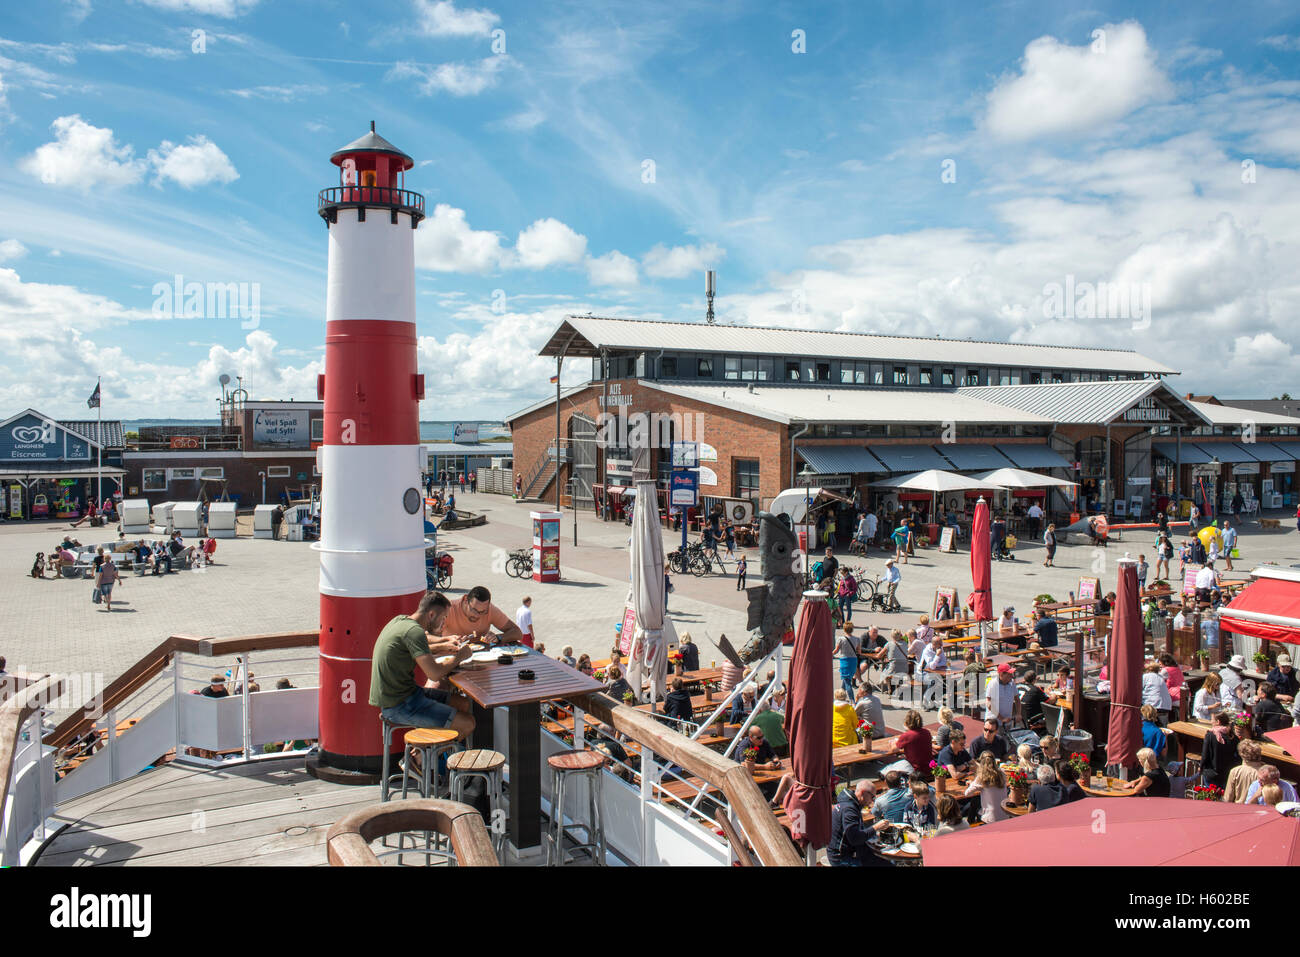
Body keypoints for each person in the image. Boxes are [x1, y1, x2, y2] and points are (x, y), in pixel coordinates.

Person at [369, 591, 476, 741]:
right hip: (399, 705)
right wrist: (460, 656)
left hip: (404, 695)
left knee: (462, 703)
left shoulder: (401, 621)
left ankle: (433, 752)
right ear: (431, 615)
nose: (444, 623)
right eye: (443, 618)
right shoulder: (414, 632)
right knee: (467, 724)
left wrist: (444, 643)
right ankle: (419, 758)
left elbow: (419, 644)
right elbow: (434, 674)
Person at [437, 585, 525, 644]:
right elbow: (427, 637)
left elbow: (517, 633)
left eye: (483, 612)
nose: (477, 616)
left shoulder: (491, 610)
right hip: (453, 656)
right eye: (474, 610)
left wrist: (498, 638)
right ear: (465, 600)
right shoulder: (449, 609)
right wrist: (447, 640)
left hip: (482, 658)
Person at [828, 780, 879, 866]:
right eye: (872, 797)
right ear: (863, 793)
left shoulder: (850, 803)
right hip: (841, 858)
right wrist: (876, 828)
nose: (872, 801)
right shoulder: (849, 809)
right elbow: (855, 838)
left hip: (843, 852)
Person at [963, 753, 1009, 823]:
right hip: (1005, 814)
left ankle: (971, 823)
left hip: (990, 818)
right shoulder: (1002, 773)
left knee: (974, 801)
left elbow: (967, 793)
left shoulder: (981, 778)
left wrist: (972, 784)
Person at [1200, 711, 1239, 789]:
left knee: (1210, 797)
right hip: (1226, 774)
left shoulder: (1210, 736)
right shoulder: (1234, 737)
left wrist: (1201, 767)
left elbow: (1205, 755)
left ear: (1218, 722)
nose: (1211, 722)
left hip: (1211, 773)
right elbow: (1237, 757)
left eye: (1212, 720)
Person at [896, 709, 933, 775]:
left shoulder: (906, 735)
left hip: (915, 769)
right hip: (929, 767)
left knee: (891, 767)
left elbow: (895, 749)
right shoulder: (926, 732)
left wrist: (892, 742)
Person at [834, 622, 861, 698]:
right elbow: (859, 651)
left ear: (844, 629)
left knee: (847, 681)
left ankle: (852, 700)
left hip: (845, 661)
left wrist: (829, 654)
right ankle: (840, 696)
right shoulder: (857, 639)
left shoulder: (841, 639)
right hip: (854, 661)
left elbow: (836, 650)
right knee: (846, 680)